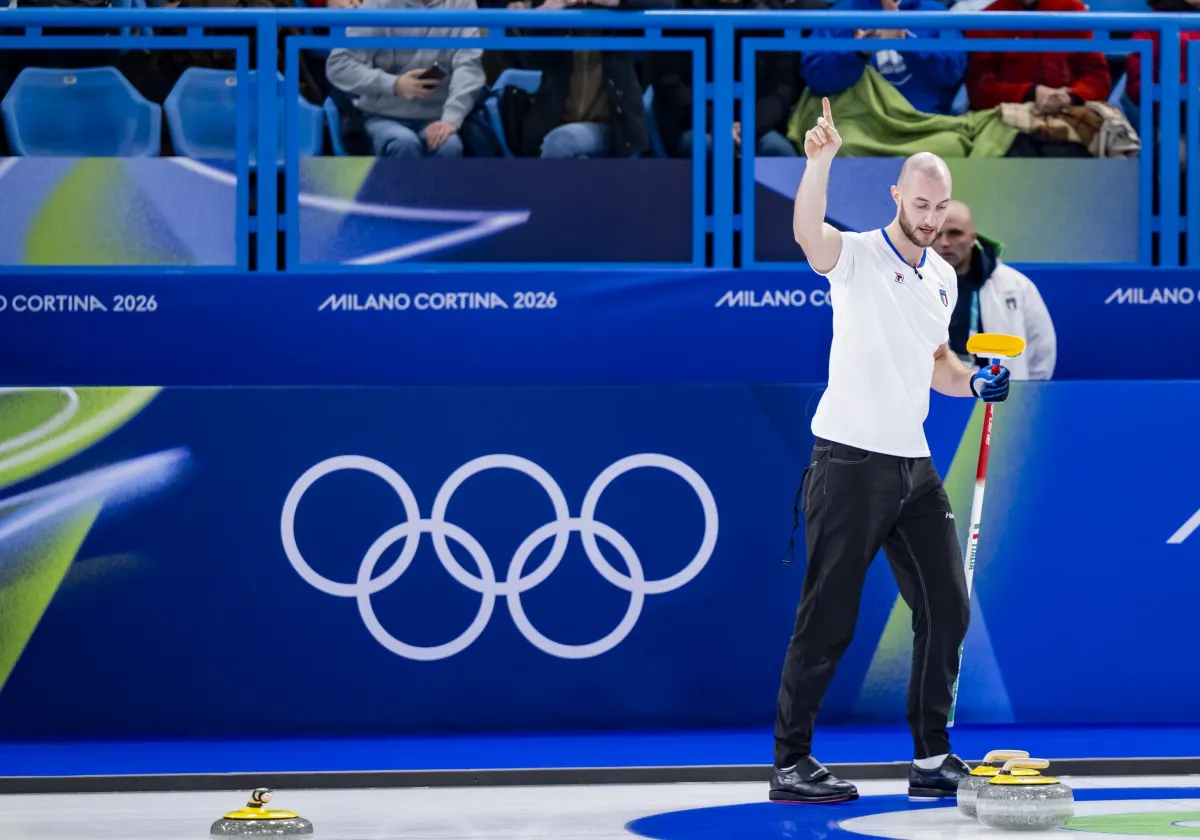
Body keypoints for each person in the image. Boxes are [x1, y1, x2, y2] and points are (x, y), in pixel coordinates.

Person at [770, 98, 1011, 805]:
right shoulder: (859, 255)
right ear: (897, 196)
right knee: (829, 616)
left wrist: (976, 379)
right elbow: (808, 234)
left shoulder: (942, 275)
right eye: (920, 202)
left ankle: (932, 757)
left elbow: (938, 360)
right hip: (849, 462)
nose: (931, 217)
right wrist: (818, 163)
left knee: (947, 606)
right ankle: (791, 761)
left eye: (940, 206)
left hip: (913, 469)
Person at [934, 200, 1057, 380]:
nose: (945, 243)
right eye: (937, 234)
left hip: (999, 398)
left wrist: (1020, 393)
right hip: (933, 398)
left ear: (973, 238)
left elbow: (1041, 349)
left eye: (955, 234)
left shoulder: (1014, 286)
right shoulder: (910, 285)